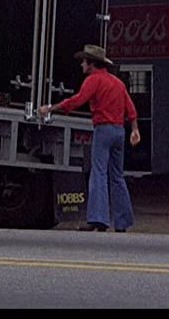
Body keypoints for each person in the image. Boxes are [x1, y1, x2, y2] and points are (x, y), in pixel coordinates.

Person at [38, 44, 141, 232]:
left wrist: (50, 108)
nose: (81, 66)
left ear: (91, 63)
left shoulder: (94, 80)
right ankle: (122, 222)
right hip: (119, 131)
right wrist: (134, 129)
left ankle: (98, 219)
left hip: (103, 130)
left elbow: (77, 100)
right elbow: (131, 109)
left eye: (83, 62)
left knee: (98, 173)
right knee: (117, 176)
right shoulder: (118, 83)